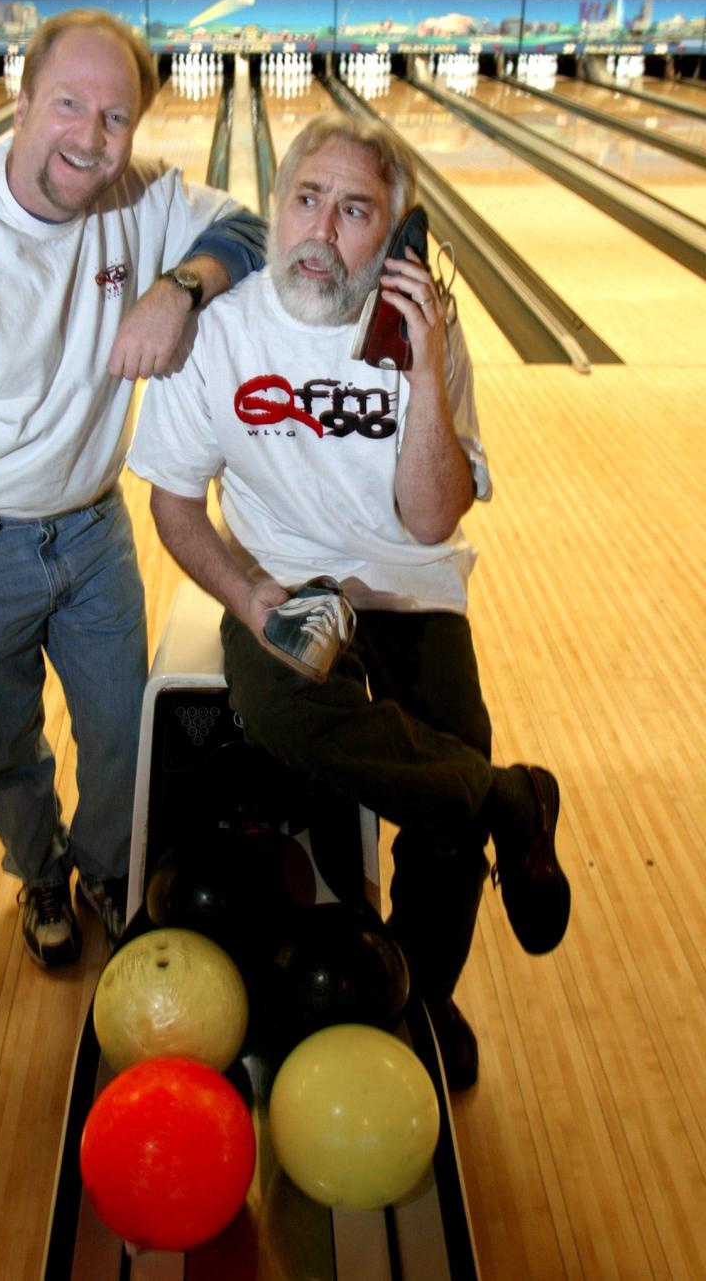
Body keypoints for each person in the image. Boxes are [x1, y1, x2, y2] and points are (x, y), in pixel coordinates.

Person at [127, 112, 571, 1089]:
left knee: (440, 800)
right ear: (275, 209)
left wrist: (420, 371)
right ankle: (507, 794)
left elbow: (428, 520)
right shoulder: (220, 336)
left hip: (413, 592)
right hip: (287, 583)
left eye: (357, 210)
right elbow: (172, 505)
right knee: (288, 710)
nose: (324, 230)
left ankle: (425, 991)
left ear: (395, 232)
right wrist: (250, 595)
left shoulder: (423, 336)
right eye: (307, 199)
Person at [0, 9, 267, 969]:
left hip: (93, 535)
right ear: (21, 99)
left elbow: (254, 229)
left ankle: (108, 868)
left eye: (115, 116)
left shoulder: (137, 197)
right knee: (5, 747)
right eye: (69, 103)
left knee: (122, 731)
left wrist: (182, 287)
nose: (91, 135)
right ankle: (39, 869)